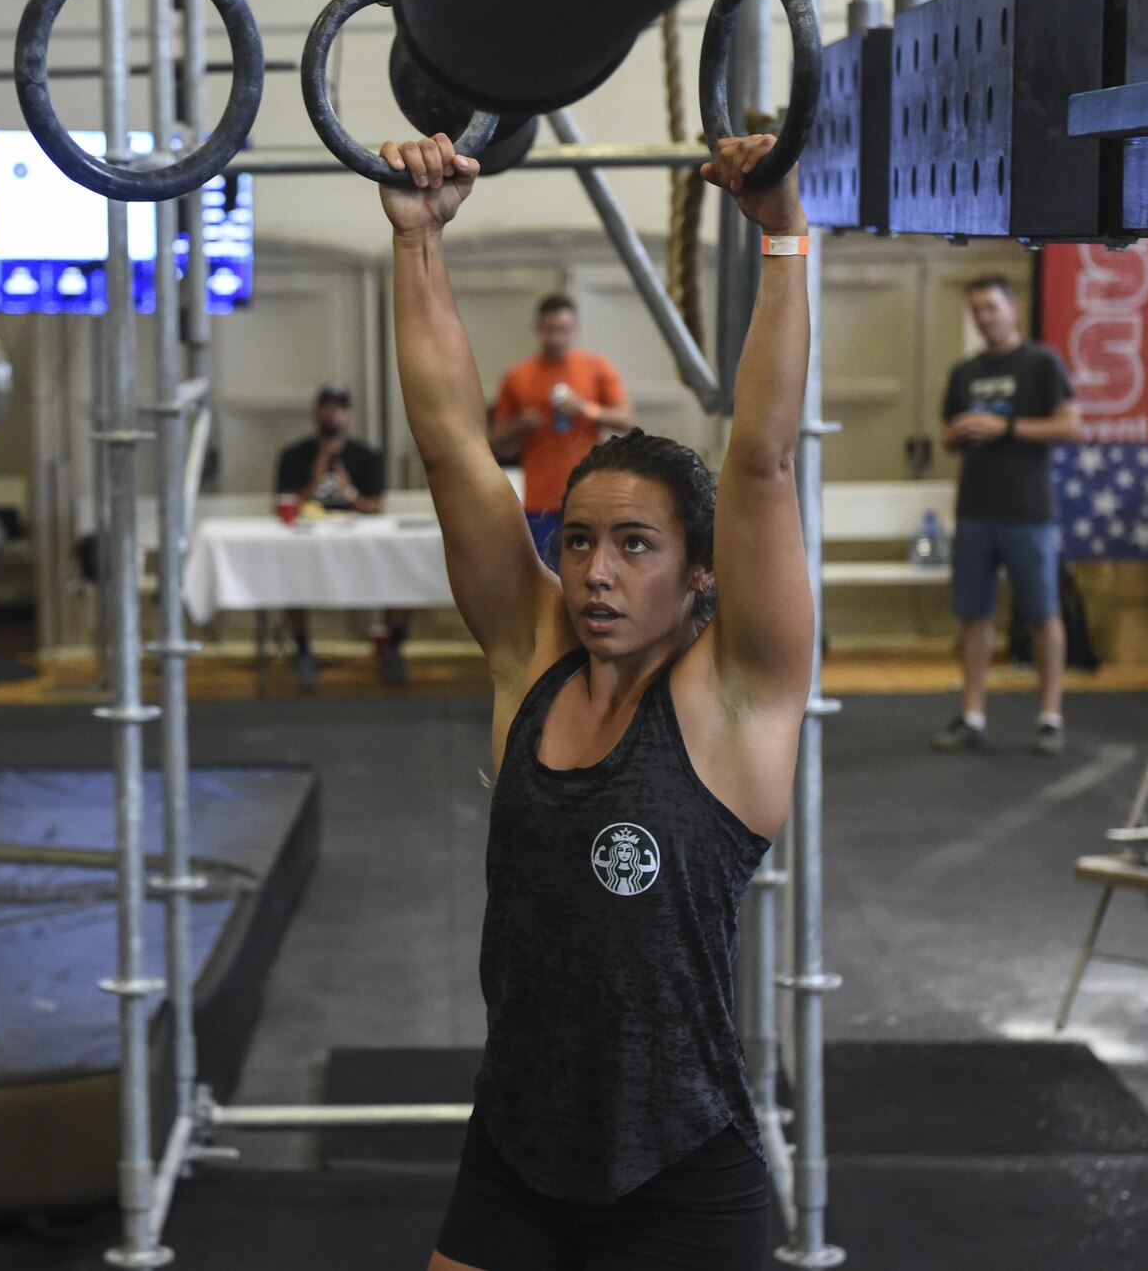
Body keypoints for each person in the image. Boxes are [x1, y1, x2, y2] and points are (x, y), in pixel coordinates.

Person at [381, 131, 812, 1271]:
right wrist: (415, 238)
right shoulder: (532, 655)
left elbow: (761, 461)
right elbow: (449, 447)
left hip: (676, 1167)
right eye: (575, 543)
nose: (595, 573)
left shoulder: (737, 700)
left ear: (699, 569)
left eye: (632, 545)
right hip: (515, 1147)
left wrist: (779, 234)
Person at [931, 274, 1081, 757]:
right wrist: (962, 433)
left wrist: (1005, 425)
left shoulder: (1041, 363)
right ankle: (972, 714)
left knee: (1043, 613)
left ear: (1013, 310)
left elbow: (1069, 425)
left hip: (1028, 511)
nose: (984, 317)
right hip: (976, 510)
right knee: (974, 615)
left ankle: (1050, 717)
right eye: (977, 309)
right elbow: (945, 434)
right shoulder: (964, 372)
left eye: (992, 308)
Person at [273, 382, 411, 689]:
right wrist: (315, 480)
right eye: (327, 407)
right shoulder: (294, 455)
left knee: (406, 566)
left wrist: (349, 492)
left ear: (348, 415)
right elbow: (284, 506)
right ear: (316, 412)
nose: (332, 414)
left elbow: (375, 507)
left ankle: (395, 647)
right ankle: (303, 650)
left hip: (359, 542)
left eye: (339, 408)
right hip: (308, 543)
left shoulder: (365, 455)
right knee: (288, 572)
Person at [490, 294, 636, 561]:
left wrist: (586, 409)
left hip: (589, 494)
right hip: (539, 500)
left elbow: (626, 419)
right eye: (549, 329)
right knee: (543, 574)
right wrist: (522, 424)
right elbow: (497, 438)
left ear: (574, 329)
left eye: (563, 330)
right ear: (538, 328)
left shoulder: (596, 368)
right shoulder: (517, 376)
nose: (555, 337)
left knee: (589, 568)